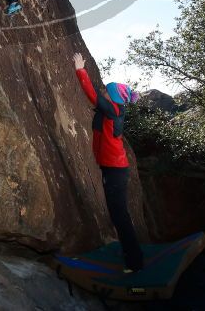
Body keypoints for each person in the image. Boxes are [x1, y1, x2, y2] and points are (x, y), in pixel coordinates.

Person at [73, 51, 144, 273]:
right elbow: (98, 107)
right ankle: (132, 255)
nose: (104, 90)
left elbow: (93, 95)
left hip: (115, 170)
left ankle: (135, 262)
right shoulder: (112, 110)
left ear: (113, 96)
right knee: (118, 213)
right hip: (112, 168)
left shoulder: (113, 110)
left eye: (107, 90)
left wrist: (80, 69)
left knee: (119, 214)